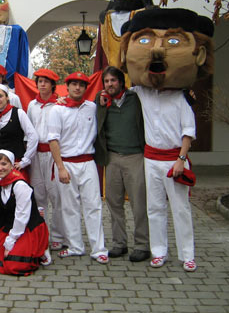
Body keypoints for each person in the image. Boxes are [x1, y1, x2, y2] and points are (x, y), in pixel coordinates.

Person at [120, 8, 215, 272]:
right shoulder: (143, 93)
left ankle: (187, 254)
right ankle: (159, 251)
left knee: (181, 209)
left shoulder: (180, 99)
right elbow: (122, 83)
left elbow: (188, 133)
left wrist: (181, 160)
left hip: (175, 159)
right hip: (151, 159)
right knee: (155, 208)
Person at [48, 72, 109, 264]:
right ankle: (75, 246)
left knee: (93, 205)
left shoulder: (92, 107)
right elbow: (53, 140)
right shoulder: (57, 110)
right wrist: (60, 168)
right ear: (67, 87)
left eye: (81, 85)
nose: (77, 88)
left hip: (87, 162)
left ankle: (98, 248)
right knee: (69, 207)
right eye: (73, 84)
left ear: (86, 88)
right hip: (67, 163)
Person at [94, 66, 150, 262]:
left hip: (135, 156)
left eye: (113, 81)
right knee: (113, 202)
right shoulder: (101, 102)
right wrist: (101, 104)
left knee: (138, 202)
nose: (110, 84)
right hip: (112, 158)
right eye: (106, 81)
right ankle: (119, 243)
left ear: (121, 82)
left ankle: (142, 245)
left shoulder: (136, 99)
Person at [0, 150, 49, 275]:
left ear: (12, 165)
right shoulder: (1, 183)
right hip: (15, 226)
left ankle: (42, 248)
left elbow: (22, 216)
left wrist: (10, 242)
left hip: (28, 227)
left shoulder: (20, 185)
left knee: (14, 265)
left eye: (4, 164)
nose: (0, 168)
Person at [93, 0, 154, 84]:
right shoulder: (106, 19)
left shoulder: (147, 16)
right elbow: (100, 55)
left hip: (137, 79)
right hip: (109, 82)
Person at [27, 68, 65, 252]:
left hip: (52, 154)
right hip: (36, 154)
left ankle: (58, 235)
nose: (42, 84)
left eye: (46, 81)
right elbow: (29, 130)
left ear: (52, 85)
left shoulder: (60, 105)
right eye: (40, 81)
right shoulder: (32, 105)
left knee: (56, 195)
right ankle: (42, 233)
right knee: (38, 195)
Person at [0, 83, 38, 181]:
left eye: (0, 96)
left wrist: (25, 161)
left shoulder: (18, 113)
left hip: (16, 164)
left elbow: (33, 136)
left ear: (7, 97)